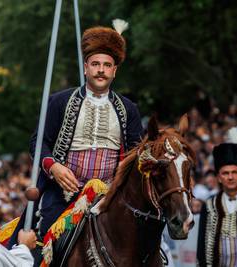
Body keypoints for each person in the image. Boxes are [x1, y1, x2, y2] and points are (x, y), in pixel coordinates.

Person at [8, 20, 143, 250]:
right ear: (85, 67)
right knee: (40, 235)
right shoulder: (59, 101)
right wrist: (54, 167)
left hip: (110, 196)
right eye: (95, 64)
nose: (101, 69)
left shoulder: (128, 109)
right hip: (62, 194)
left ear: (114, 70)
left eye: (107, 65)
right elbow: (38, 142)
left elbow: (135, 153)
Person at [197, 143, 237, 266]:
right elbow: (201, 245)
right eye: (225, 173)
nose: (230, 177)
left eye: (234, 172)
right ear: (218, 177)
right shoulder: (208, 205)